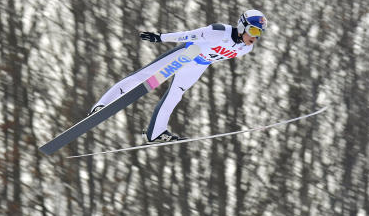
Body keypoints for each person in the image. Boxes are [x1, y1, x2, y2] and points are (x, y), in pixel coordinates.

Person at [89, 9, 267, 143]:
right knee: (145, 76)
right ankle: (102, 105)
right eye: (253, 31)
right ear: (242, 25)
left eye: (259, 33)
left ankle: (155, 133)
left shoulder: (246, 48)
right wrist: (161, 38)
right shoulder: (219, 31)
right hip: (188, 53)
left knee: (175, 94)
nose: (255, 37)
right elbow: (189, 35)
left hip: (198, 65)